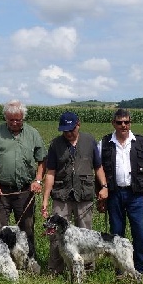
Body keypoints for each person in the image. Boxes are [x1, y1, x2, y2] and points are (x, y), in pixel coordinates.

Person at [41, 111, 108, 275]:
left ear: (78, 124)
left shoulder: (90, 141)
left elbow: (98, 167)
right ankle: (56, 269)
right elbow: (50, 172)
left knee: (86, 233)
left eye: (71, 129)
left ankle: (87, 268)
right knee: (55, 233)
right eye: (65, 130)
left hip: (84, 194)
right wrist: (45, 199)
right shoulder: (55, 144)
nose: (68, 133)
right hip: (61, 194)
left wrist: (104, 186)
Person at [0, 99, 46, 261]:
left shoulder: (33, 134)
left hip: (25, 191)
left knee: (27, 229)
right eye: (11, 119)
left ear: (23, 117)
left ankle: (29, 262)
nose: (15, 122)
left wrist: (37, 180)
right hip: (0, 191)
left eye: (18, 119)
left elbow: (42, 160)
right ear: (5, 117)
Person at [98, 108, 143, 274]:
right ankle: (120, 270)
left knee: (139, 233)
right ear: (113, 123)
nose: (123, 125)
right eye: (120, 122)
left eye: (126, 122)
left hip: (136, 194)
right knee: (116, 235)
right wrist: (101, 197)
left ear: (130, 123)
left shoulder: (141, 142)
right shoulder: (105, 143)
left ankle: (140, 269)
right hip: (114, 194)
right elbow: (98, 169)